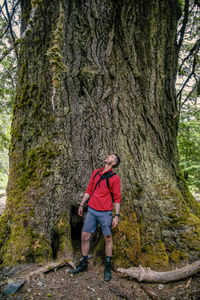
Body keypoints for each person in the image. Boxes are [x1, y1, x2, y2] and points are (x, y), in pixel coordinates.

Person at [69, 154, 121, 281]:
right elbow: (89, 190)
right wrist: (82, 204)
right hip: (92, 210)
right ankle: (84, 263)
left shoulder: (115, 178)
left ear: (113, 163)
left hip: (106, 212)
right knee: (85, 236)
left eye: (111, 157)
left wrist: (117, 216)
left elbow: (117, 198)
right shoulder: (96, 172)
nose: (108, 157)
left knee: (107, 238)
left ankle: (108, 266)